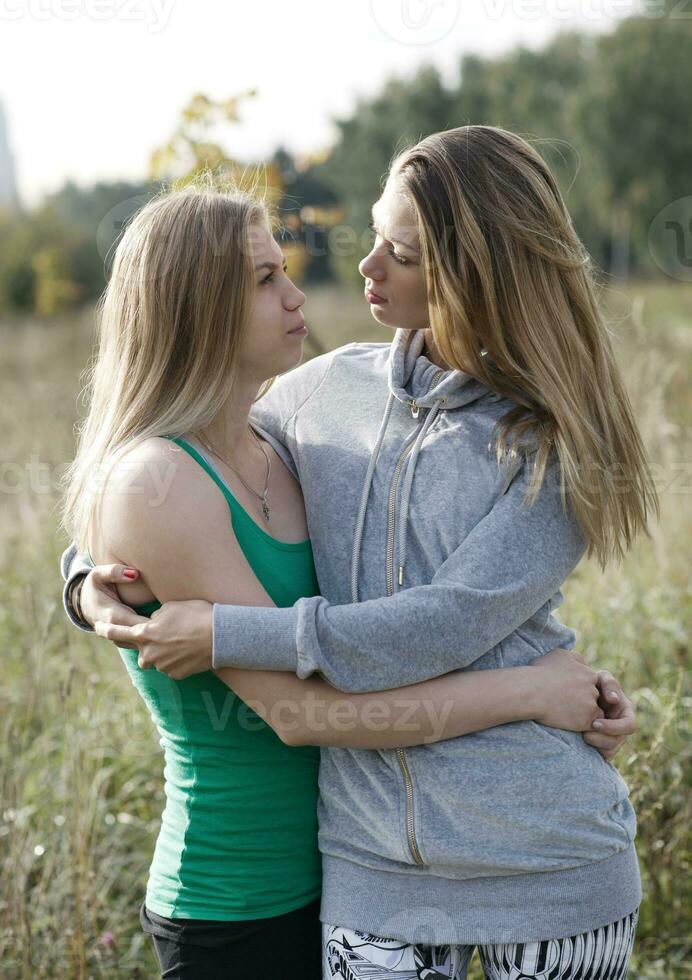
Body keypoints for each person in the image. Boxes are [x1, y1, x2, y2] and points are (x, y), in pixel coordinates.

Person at [63, 126, 652, 979]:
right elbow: (158, 472)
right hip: (365, 873)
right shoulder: (321, 396)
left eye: (400, 253)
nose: (363, 268)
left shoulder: (551, 443)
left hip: (548, 858)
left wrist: (230, 631)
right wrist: (87, 578)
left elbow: (444, 621)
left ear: (468, 274)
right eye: (373, 236)